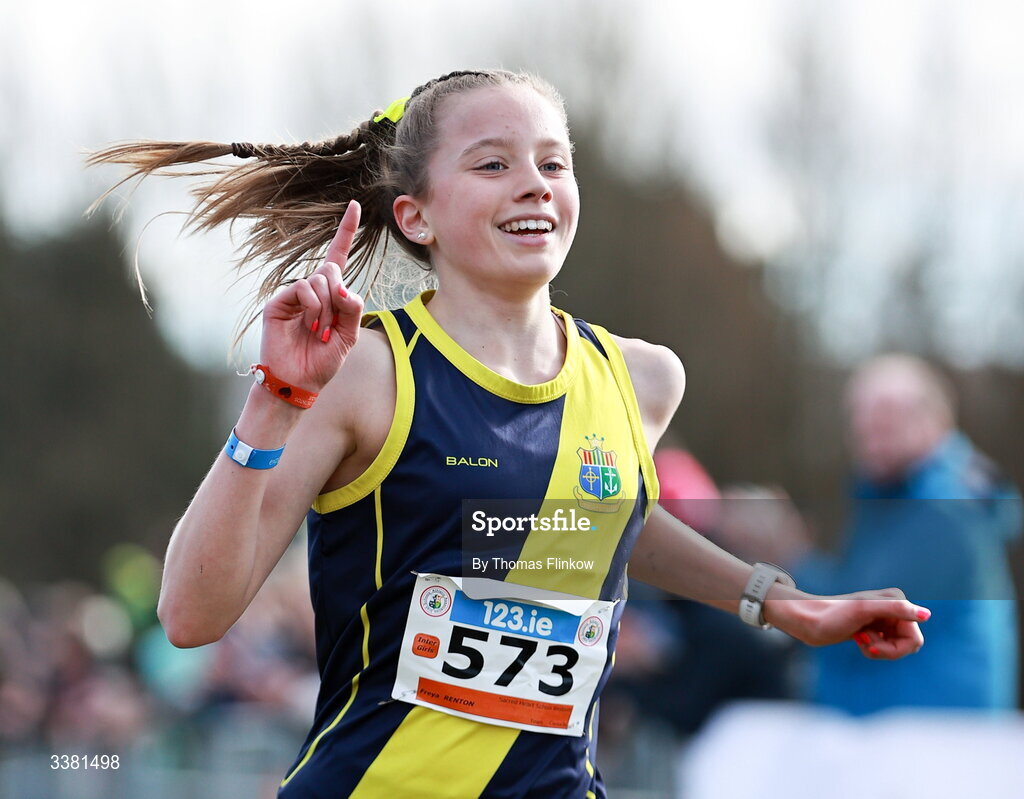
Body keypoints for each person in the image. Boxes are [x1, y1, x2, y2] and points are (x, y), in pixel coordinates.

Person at [89, 70, 931, 798]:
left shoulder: (639, 379)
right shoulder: (366, 370)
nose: (533, 182)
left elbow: (604, 518)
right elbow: (190, 615)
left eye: (552, 162)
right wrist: (273, 403)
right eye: (493, 163)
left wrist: (784, 602)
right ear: (415, 217)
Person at [793, 354, 1022, 715]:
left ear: (935, 421)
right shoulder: (888, 499)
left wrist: (789, 563)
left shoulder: (947, 513)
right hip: (899, 735)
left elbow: (857, 623)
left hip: (928, 742)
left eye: (886, 419)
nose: (867, 431)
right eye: (858, 416)